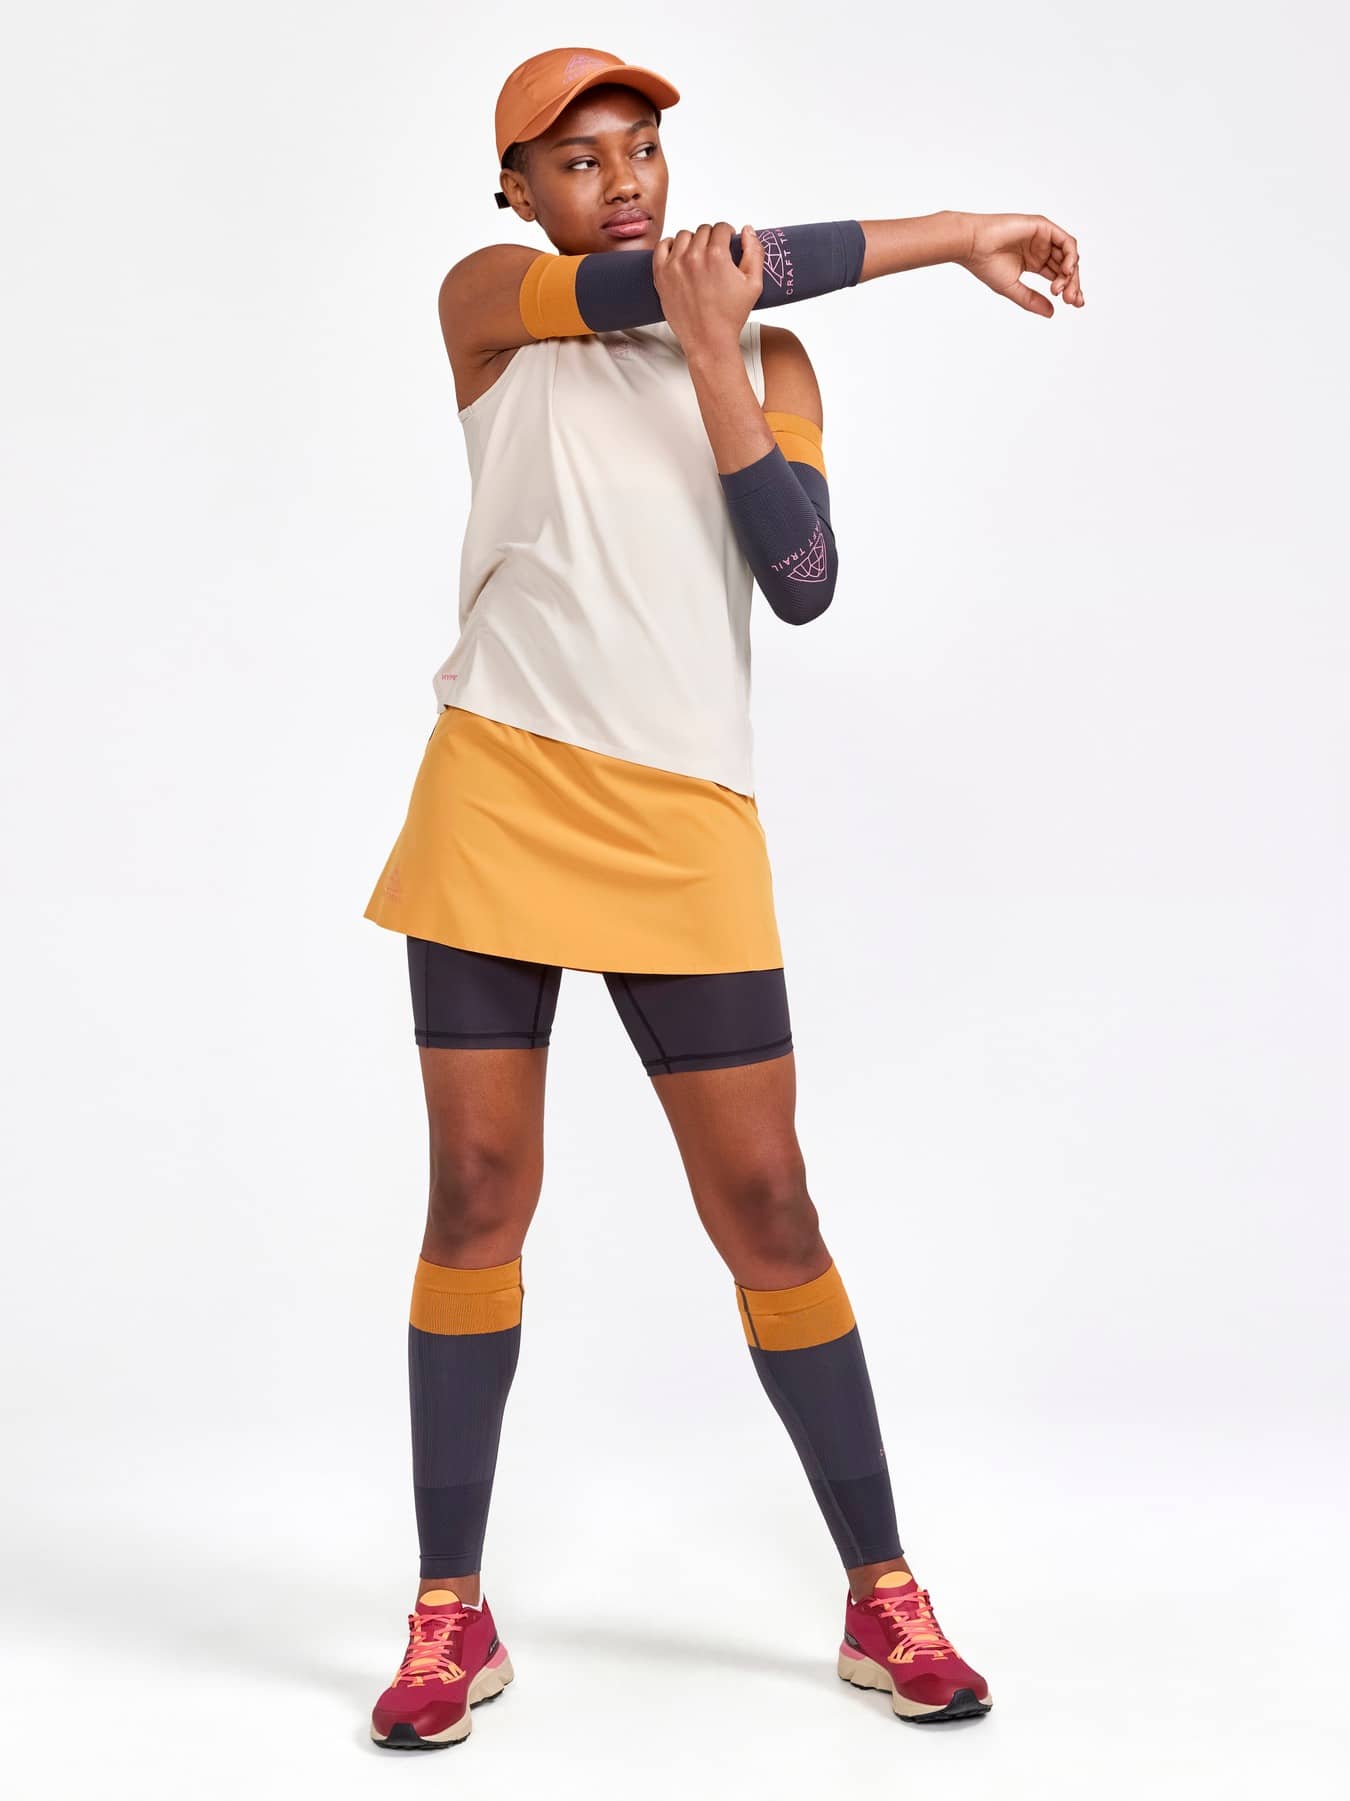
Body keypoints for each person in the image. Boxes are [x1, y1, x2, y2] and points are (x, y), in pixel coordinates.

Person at [362, 45, 1084, 1750]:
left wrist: (714, 356)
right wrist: (957, 231)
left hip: (687, 820)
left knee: (769, 1204)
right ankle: (450, 1610)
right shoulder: (492, 304)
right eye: (576, 159)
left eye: (640, 150)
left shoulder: (766, 352)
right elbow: (678, 276)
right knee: (476, 1190)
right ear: (517, 192)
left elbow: (803, 580)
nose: (620, 180)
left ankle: (881, 1593)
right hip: (499, 788)